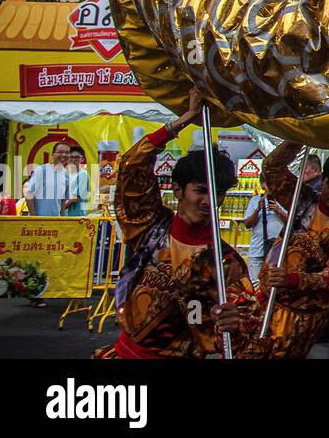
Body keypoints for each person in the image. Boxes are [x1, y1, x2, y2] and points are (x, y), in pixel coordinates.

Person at [95, 89, 268, 359]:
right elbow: (132, 166)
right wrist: (184, 119)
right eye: (201, 190)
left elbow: (248, 323)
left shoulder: (226, 261)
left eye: (218, 194)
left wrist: (231, 321)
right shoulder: (149, 227)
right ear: (177, 190)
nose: (209, 201)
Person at [259, 146, 329, 358]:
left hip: (303, 315)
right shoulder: (303, 198)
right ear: (323, 180)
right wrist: (298, 138)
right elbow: (271, 168)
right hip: (267, 299)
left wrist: (291, 279)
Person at [241, 186, 288, 284]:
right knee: (255, 283)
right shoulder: (255, 200)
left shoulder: (286, 200)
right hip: (257, 250)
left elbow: (292, 223)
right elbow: (247, 224)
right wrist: (257, 210)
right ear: (263, 184)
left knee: (274, 283)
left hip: (279, 250)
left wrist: (279, 211)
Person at [24, 141, 71, 216]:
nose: (64, 155)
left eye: (67, 152)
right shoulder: (41, 170)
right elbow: (29, 196)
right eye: (60, 152)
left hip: (56, 222)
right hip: (40, 223)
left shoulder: (66, 175)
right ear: (52, 154)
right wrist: (34, 219)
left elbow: (63, 201)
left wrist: (62, 219)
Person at [62, 146, 91, 217]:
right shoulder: (66, 174)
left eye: (77, 157)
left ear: (82, 159)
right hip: (66, 216)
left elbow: (75, 198)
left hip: (77, 217)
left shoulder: (83, 174)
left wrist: (60, 209)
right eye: (71, 157)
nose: (73, 160)